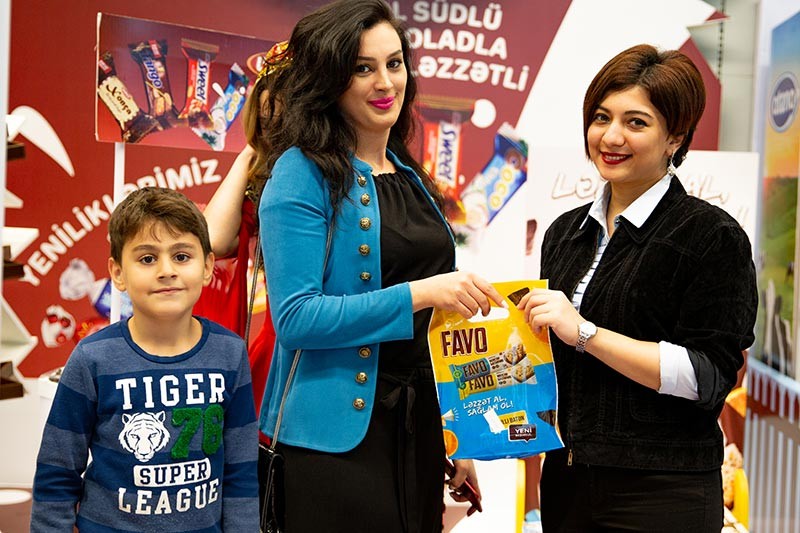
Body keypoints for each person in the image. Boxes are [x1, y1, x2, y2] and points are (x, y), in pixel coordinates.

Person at [257, 0, 504, 531]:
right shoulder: (300, 173)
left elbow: (433, 332)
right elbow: (296, 318)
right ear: (330, 80)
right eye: (362, 68)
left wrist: (457, 435)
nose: (385, 82)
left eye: (394, 63)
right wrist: (421, 293)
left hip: (419, 429)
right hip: (334, 444)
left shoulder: (409, 174)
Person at [517, 44, 758, 532]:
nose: (611, 136)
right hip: (567, 484)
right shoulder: (564, 233)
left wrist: (585, 333)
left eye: (636, 122)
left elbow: (708, 378)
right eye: (601, 117)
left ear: (675, 137)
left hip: (662, 492)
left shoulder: (711, 235)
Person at [31, 187, 259, 532]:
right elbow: (57, 473)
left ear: (207, 266)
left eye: (181, 256)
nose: (166, 270)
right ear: (118, 273)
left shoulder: (230, 352)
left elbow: (240, 471)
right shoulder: (92, 358)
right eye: (147, 259)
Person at [195, 41, 290, 420]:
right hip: (272, 353)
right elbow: (213, 241)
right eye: (267, 121)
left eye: (286, 120)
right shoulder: (263, 184)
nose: (278, 133)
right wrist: (251, 152)